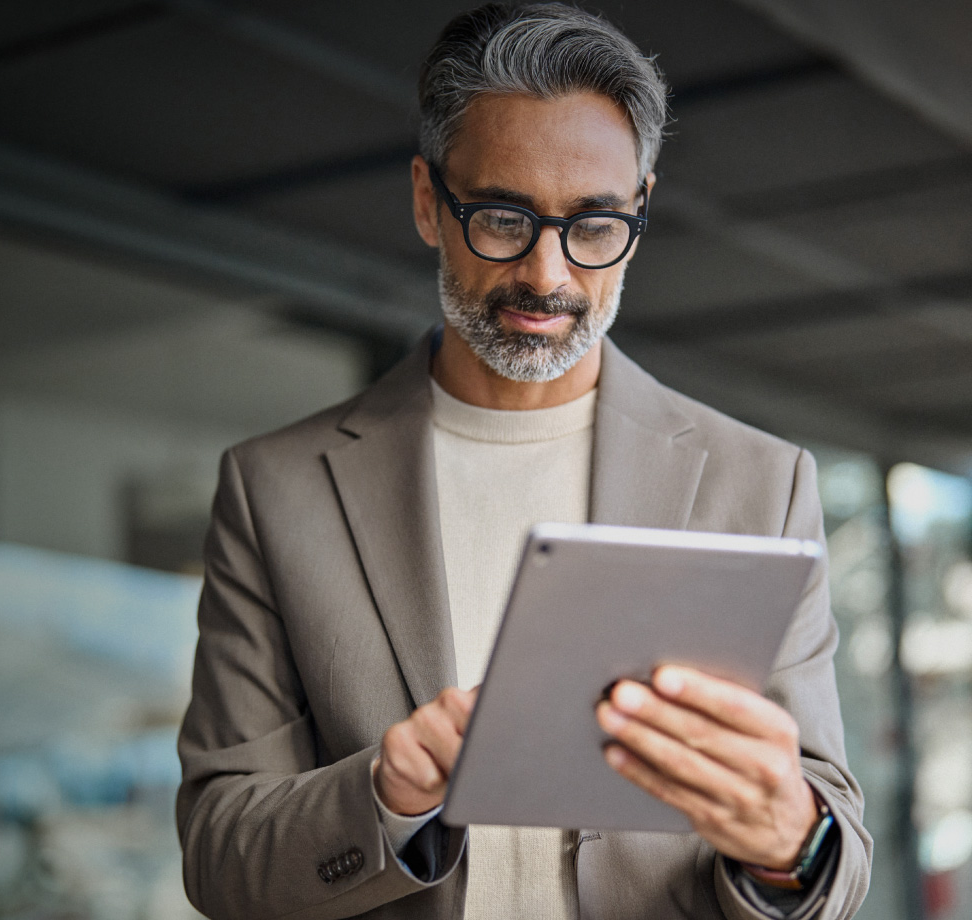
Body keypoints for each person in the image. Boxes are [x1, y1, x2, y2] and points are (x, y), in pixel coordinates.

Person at [175, 4, 871, 918]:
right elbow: (221, 855)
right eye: (503, 218)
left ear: (642, 208)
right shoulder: (276, 491)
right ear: (429, 200)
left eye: (593, 227)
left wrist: (790, 837)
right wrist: (384, 794)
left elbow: (837, 849)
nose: (547, 276)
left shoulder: (763, 484)